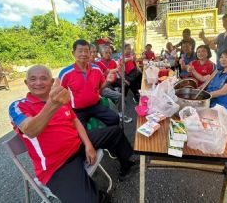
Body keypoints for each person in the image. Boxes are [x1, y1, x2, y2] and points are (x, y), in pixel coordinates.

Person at [9, 65, 135, 203]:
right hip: (57, 164)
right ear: (26, 83)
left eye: (43, 78)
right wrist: (53, 104)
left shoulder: (60, 99)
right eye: (33, 79)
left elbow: (75, 120)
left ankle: (126, 165)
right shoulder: (19, 106)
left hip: (78, 145)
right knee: (89, 200)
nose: (38, 83)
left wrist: (88, 145)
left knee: (115, 131)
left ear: (51, 82)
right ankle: (99, 195)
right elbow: (31, 130)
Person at [59, 39, 120, 127]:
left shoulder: (96, 69)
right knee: (81, 133)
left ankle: (110, 136)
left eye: (86, 51)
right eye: (80, 51)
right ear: (73, 53)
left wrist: (107, 81)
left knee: (114, 118)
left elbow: (100, 88)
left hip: (96, 105)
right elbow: (60, 95)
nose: (83, 54)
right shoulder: (65, 73)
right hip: (78, 110)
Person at [97, 46, 133, 123]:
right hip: (106, 83)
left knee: (125, 84)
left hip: (114, 80)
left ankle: (123, 98)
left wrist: (124, 80)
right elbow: (107, 72)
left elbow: (118, 71)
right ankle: (119, 106)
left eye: (110, 53)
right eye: (106, 53)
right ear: (102, 54)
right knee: (115, 94)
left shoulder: (112, 61)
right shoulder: (99, 63)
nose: (108, 54)